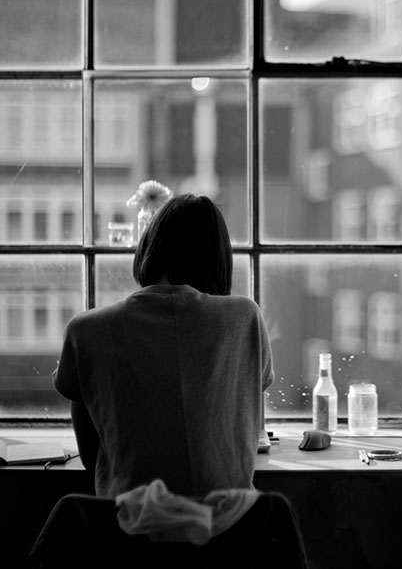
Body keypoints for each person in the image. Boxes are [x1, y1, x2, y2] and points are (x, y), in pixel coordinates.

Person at [52, 193, 274, 499]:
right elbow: (249, 430)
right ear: (219, 260)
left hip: (128, 532)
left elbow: (92, 458)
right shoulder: (244, 318)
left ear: (149, 247)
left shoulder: (85, 331)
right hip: (227, 533)